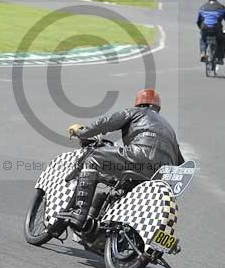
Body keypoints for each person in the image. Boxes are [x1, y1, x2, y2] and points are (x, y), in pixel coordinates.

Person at [59, 89, 185, 231]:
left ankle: (79, 212)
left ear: (138, 103)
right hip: (160, 173)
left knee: (92, 158)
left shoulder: (135, 112)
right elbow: (180, 162)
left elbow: (106, 123)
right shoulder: (169, 129)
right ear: (158, 107)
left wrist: (82, 132)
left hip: (136, 157)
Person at [196, 0, 225, 64]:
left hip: (205, 27)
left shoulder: (202, 7)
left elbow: (198, 21)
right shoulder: (221, 7)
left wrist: (201, 29)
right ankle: (220, 58)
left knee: (203, 39)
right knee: (222, 39)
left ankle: (203, 53)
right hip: (216, 28)